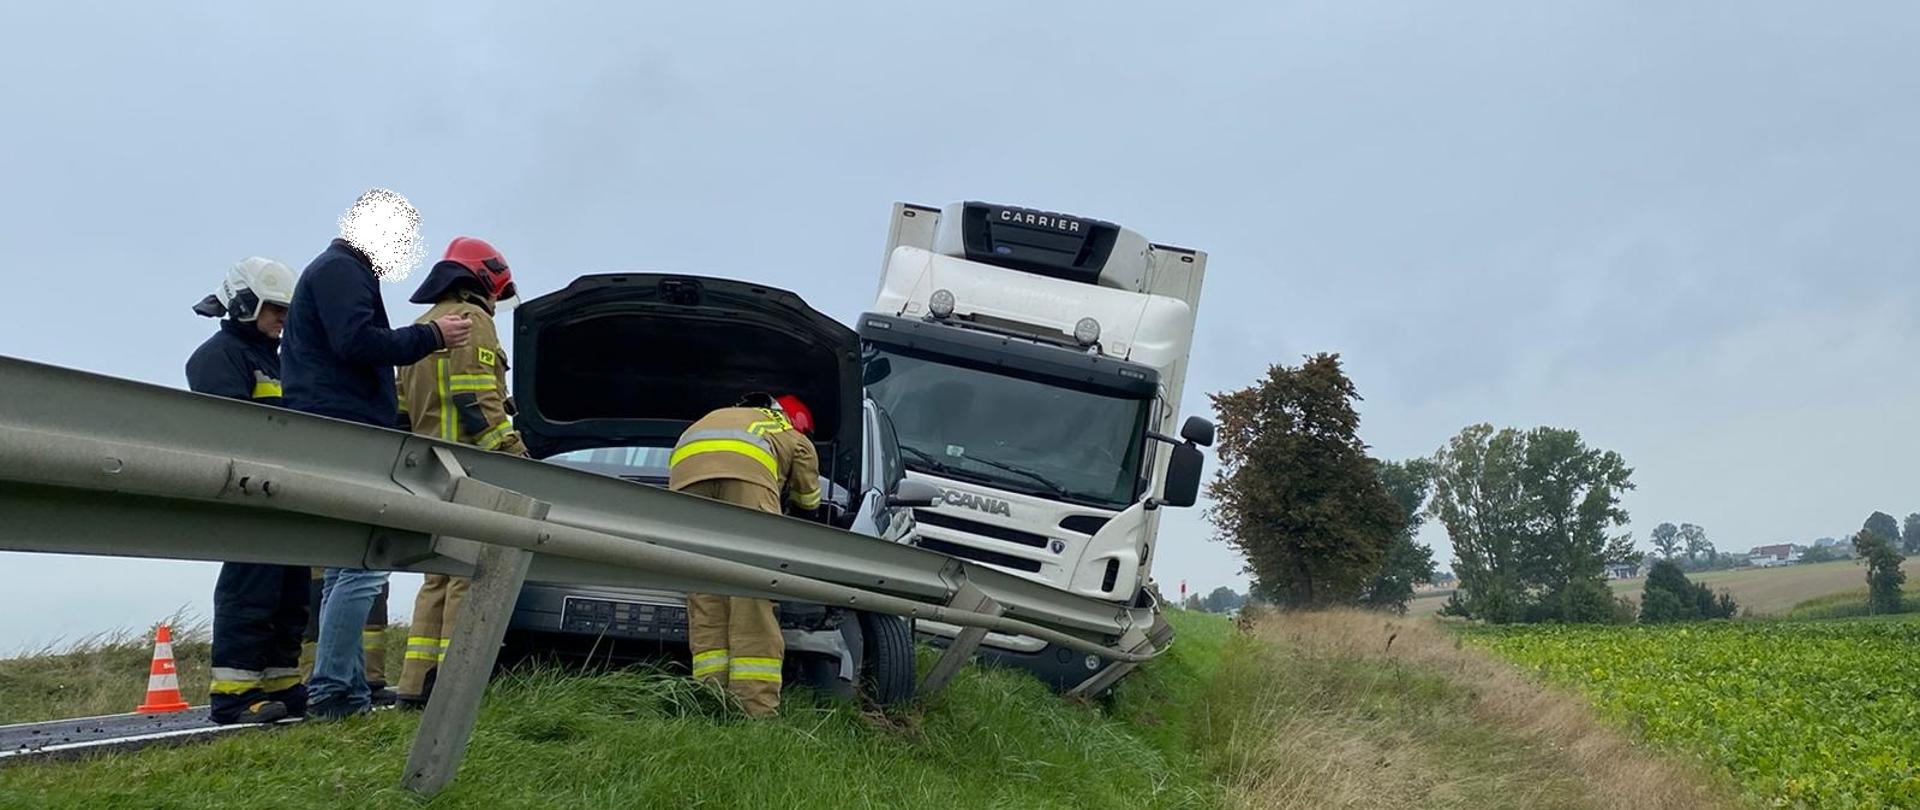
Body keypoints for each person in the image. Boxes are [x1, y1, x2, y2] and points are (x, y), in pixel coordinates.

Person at [281, 188, 474, 720]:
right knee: (364, 566)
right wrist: (431, 335)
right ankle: (333, 692)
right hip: (344, 427)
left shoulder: (335, 270)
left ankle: (340, 688)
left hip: (333, 423)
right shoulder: (343, 271)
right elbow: (356, 343)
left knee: (350, 563)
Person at [392, 236, 529, 708]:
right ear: (486, 279)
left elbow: (402, 411)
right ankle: (452, 687)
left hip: (424, 469)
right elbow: (477, 402)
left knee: (434, 577)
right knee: (466, 574)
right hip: (468, 466)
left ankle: (414, 685)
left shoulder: (423, 324)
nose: (496, 301)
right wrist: (512, 453)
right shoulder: (474, 323)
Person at [185, 257, 307, 725]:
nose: (282, 320)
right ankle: (234, 694)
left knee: (289, 593)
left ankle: (279, 682)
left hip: (281, 495)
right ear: (244, 303)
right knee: (249, 592)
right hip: (248, 498)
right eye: (275, 309)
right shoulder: (218, 357)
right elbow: (229, 431)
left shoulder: (268, 357)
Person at [669, 393, 822, 717]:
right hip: (746, 477)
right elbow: (809, 502)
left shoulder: (722, 415)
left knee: (705, 590)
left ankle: (711, 696)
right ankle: (755, 708)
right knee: (750, 593)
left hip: (685, 475)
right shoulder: (788, 431)